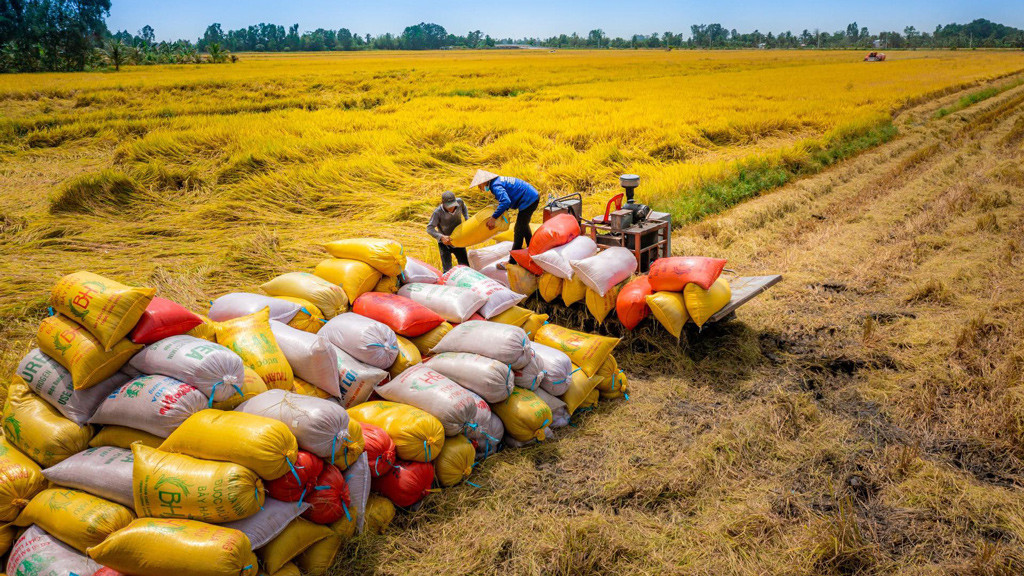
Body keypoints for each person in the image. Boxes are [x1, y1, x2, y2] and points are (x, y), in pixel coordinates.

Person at [470, 169, 540, 265]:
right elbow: (506, 201)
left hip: (529, 200)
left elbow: (505, 202)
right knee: (523, 225)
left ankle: (512, 262)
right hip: (532, 196)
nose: (479, 188)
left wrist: (493, 218)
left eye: (479, 185)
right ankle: (532, 249)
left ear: (484, 181)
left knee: (518, 230)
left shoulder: (495, 186)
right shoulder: (497, 181)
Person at [426, 190, 470, 272]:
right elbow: (429, 228)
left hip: (458, 239)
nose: (451, 208)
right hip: (444, 243)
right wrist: (441, 237)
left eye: (453, 205)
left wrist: (467, 218)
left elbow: (464, 207)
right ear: (442, 202)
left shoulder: (459, 202)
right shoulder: (437, 212)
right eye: (449, 206)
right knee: (447, 269)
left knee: (465, 266)